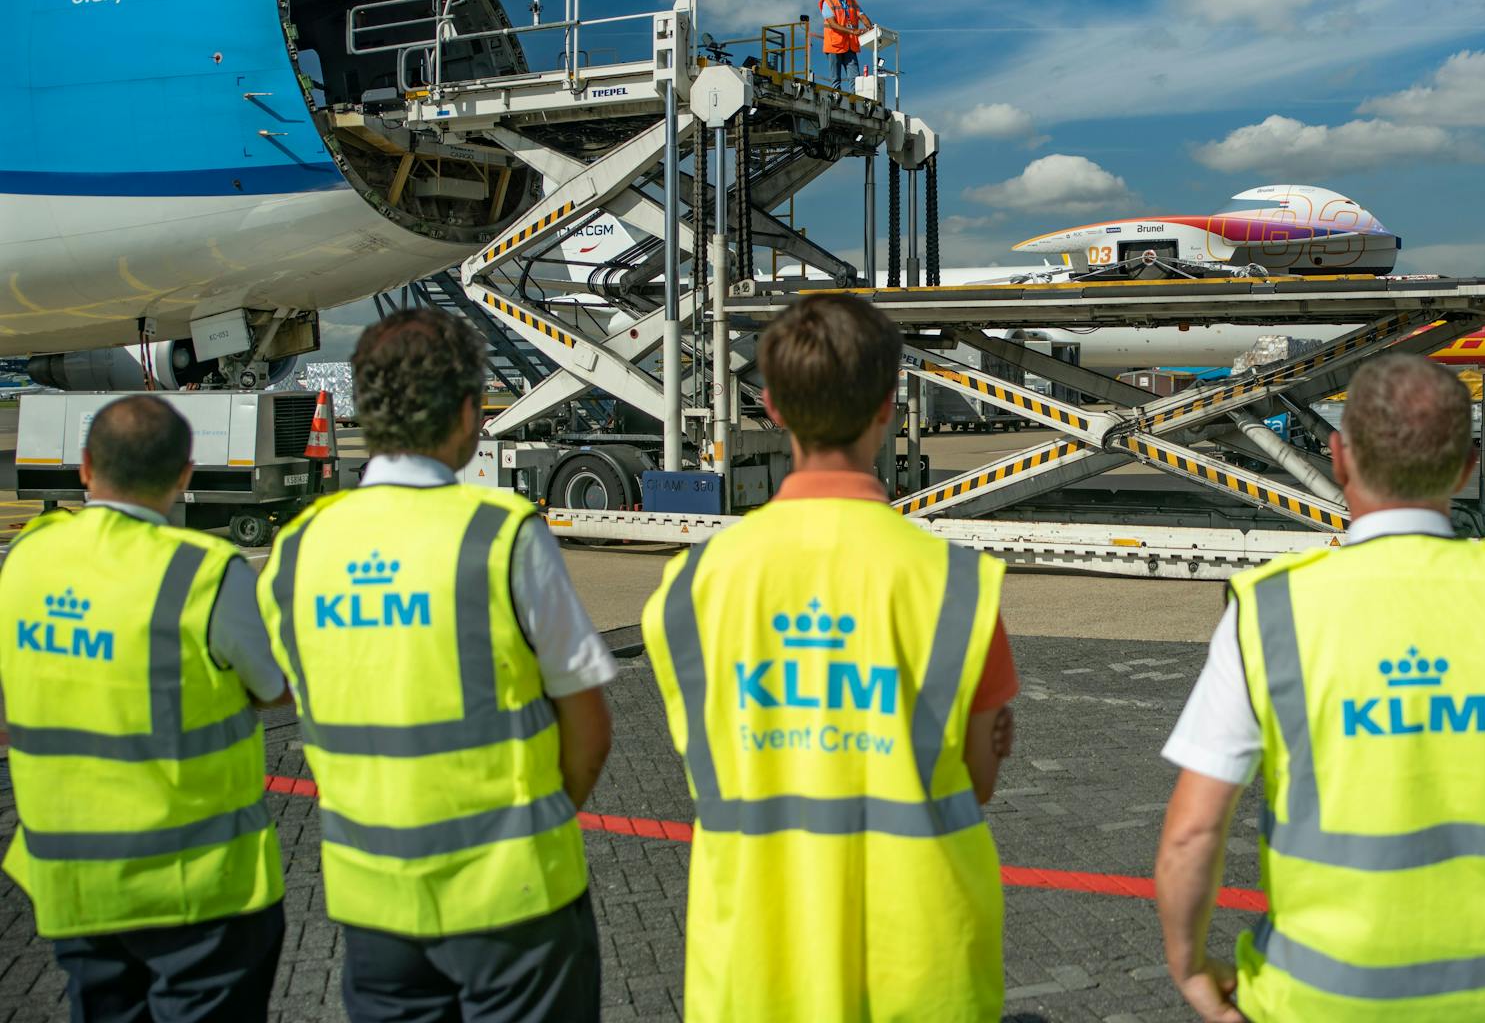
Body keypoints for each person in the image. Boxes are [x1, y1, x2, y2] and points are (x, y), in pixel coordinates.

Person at [1155, 353, 1485, 1023]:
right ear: (1467, 465)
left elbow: (1191, 835)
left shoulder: (1273, 609)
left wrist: (1189, 965)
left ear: (1339, 457)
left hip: (1317, 996)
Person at [640, 293, 1018, 1020]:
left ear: (773, 406)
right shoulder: (955, 584)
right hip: (920, 965)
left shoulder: (694, 585)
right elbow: (976, 781)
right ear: (887, 404)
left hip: (753, 966)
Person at [257, 309, 617, 1021]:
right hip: (512, 899)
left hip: (375, 906)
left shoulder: (301, 548)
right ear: (464, 413)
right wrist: (538, 823)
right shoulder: (499, 533)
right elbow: (589, 728)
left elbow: (288, 690)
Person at [0, 395, 287, 1021]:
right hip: (197, 889)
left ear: (83, 468)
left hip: (75, 882)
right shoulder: (203, 573)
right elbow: (273, 686)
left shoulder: (23, 562)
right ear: (186, 474)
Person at [819, 0, 871, 88]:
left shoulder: (852, 2)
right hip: (834, 45)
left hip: (849, 46)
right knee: (835, 78)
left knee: (855, 78)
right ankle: (836, 100)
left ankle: (854, 103)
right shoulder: (828, 2)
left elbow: (862, 16)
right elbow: (833, 24)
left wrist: (871, 28)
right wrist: (853, 32)